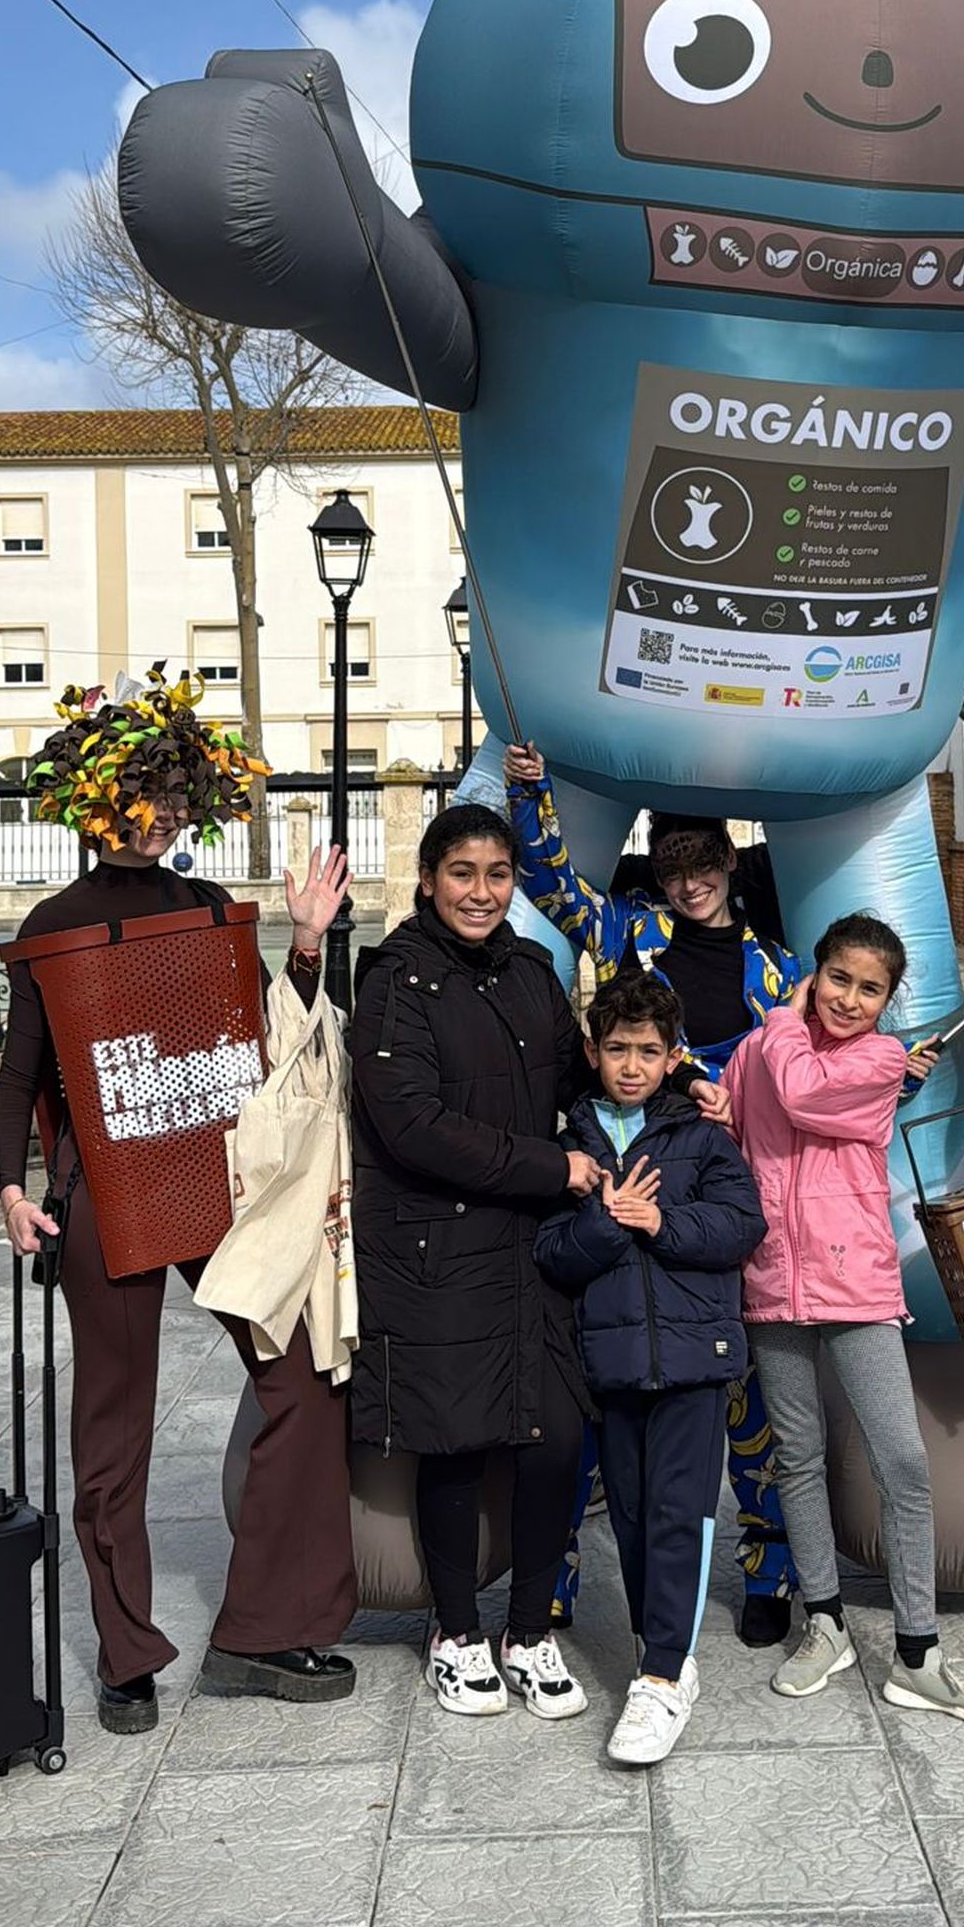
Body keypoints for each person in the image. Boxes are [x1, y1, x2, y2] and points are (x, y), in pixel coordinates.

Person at [0, 669, 358, 1733]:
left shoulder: (209, 912)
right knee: (113, 1432)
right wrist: (12, 1188)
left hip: (216, 1181)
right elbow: (22, 1074)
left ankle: (262, 1629)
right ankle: (125, 1652)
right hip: (104, 1192)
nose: (152, 820)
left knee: (301, 1376)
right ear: (94, 802)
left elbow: (265, 1047)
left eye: (167, 798)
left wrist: (304, 942)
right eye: (131, 800)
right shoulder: (52, 924)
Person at [505, 741, 802, 1644]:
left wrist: (896, 1072)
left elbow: (809, 1068)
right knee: (596, 1389)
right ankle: (555, 1578)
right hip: (619, 1165)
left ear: (729, 863)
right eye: (674, 868)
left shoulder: (777, 969)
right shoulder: (632, 928)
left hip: (711, 1185)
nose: (691, 883)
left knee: (739, 1393)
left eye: (705, 864)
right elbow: (553, 886)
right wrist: (533, 797)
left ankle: (770, 1571)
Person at [725, 913, 964, 1726]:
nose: (850, 999)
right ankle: (824, 1622)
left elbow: (800, 1094)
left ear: (888, 1002)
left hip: (854, 1285)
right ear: (816, 972)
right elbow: (743, 1134)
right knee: (798, 1459)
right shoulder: (759, 1051)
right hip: (772, 1280)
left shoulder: (878, 1060)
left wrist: (780, 1015)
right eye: (839, 979)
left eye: (870, 988)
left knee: (904, 1463)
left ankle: (919, 1652)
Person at [347, 801, 598, 1719]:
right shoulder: (397, 982)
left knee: (554, 1441)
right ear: (427, 879)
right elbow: (413, 1126)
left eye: (497, 875)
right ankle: (456, 1632)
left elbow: (576, 1074)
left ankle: (529, 1630)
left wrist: (678, 1076)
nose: (482, 892)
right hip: (436, 1248)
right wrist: (551, 1166)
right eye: (463, 874)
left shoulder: (534, 970)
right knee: (453, 1443)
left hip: (531, 1248)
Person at [535, 974, 766, 1763]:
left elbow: (742, 1225)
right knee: (631, 1513)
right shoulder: (571, 1142)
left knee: (681, 1514)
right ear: (593, 1052)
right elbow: (550, 1252)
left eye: (648, 1051)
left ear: (675, 1058)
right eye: (616, 1050)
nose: (631, 1066)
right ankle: (653, 1647)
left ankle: (665, 1677)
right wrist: (602, 1224)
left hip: (695, 1362)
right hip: (609, 1360)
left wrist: (663, 1221)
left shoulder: (701, 1137)